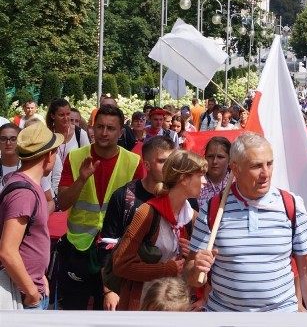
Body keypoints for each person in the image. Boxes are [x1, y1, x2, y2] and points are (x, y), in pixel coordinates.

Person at [185, 132, 307, 312]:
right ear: (235, 169)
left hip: (282, 318)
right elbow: (190, 274)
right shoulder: (212, 210)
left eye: (269, 163)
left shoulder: (292, 205)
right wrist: (197, 268)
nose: (266, 173)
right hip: (225, 317)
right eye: (256, 166)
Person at [56, 104, 145, 310]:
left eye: (111, 128)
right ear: (92, 128)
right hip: (79, 249)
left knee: (108, 316)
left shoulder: (133, 162)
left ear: (121, 132)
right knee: (73, 315)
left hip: (115, 253)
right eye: (100, 127)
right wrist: (81, 179)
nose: (104, 133)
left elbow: (143, 209)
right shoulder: (76, 156)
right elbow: (63, 203)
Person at [111, 150, 203, 310]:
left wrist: (192, 257)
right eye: (200, 176)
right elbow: (120, 264)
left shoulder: (192, 217)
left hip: (176, 306)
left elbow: (190, 273)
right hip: (142, 305)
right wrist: (166, 269)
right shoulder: (147, 212)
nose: (205, 182)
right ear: (183, 179)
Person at [99, 136, 176, 309]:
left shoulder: (182, 198)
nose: (169, 167)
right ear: (147, 165)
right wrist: (109, 291)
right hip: (130, 291)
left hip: (172, 294)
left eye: (172, 161)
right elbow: (107, 244)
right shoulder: (124, 197)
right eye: (163, 161)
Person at [0, 122, 63, 309]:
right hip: (22, 297)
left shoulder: (29, 186)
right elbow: (7, 251)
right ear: (48, 155)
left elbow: (28, 241)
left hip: (30, 288)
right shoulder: (24, 194)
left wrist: (39, 276)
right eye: (55, 151)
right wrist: (32, 292)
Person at [1, 123, 54, 213]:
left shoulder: (32, 166)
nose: (8, 143)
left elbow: (50, 202)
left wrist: (37, 219)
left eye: (13, 139)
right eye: (3, 139)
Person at [46, 98, 90, 197]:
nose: (66, 118)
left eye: (68, 114)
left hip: (75, 189)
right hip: (52, 192)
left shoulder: (80, 134)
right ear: (53, 116)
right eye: (61, 115)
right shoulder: (47, 137)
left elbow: (88, 161)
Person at [197, 137, 230, 208]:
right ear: (205, 157)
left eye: (220, 157)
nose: (214, 161)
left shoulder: (237, 184)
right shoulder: (196, 183)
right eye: (210, 156)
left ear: (230, 159)